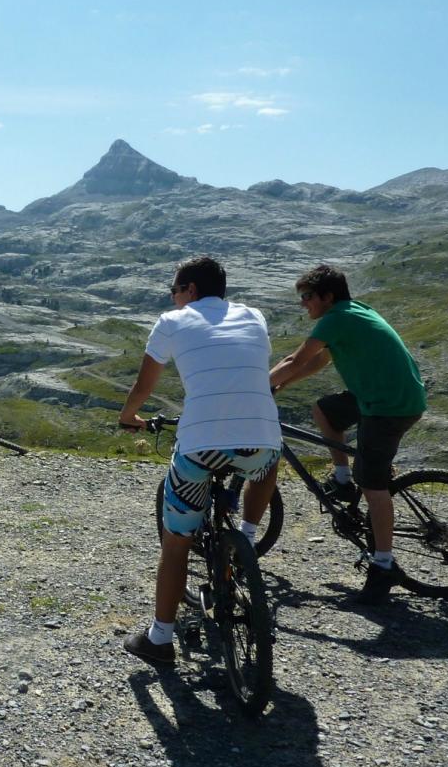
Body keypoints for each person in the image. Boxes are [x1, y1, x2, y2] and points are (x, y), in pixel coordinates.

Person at [119, 256, 281, 663]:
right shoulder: (255, 315)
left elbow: (144, 384)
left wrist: (127, 416)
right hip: (260, 441)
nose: (173, 298)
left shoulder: (172, 321)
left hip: (199, 446)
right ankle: (244, 535)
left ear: (190, 289)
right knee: (266, 463)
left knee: (176, 545)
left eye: (174, 290)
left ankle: (159, 639)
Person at [269, 264, 427, 605]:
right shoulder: (350, 313)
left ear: (328, 296)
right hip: (383, 395)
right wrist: (280, 384)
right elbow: (317, 362)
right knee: (325, 410)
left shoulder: (336, 317)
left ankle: (383, 565)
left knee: (373, 486)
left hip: (389, 406)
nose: (303, 304)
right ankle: (341, 479)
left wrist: (254, 387)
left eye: (307, 297)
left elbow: (297, 358)